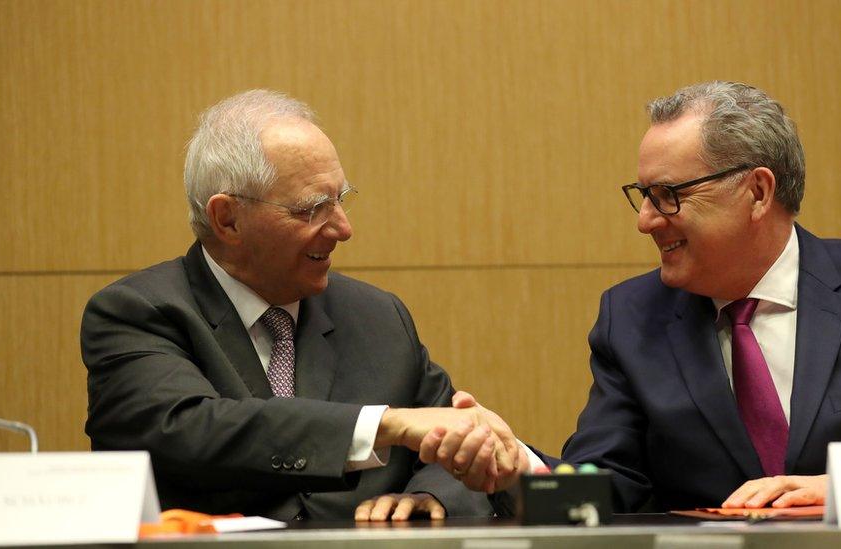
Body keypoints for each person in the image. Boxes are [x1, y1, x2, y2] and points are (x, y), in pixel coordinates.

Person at [424, 81, 841, 512]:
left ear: (757, 191)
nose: (645, 221)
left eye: (668, 196)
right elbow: (609, 492)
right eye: (643, 196)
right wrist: (518, 467)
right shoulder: (632, 318)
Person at [81, 89, 524, 522]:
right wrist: (384, 426)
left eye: (340, 199)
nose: (343, 228)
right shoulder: (137, 312)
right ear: (227, 219)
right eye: (312, 208)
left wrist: (434, 495)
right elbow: (192, 429)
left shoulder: (377, 316)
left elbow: (449, 434)